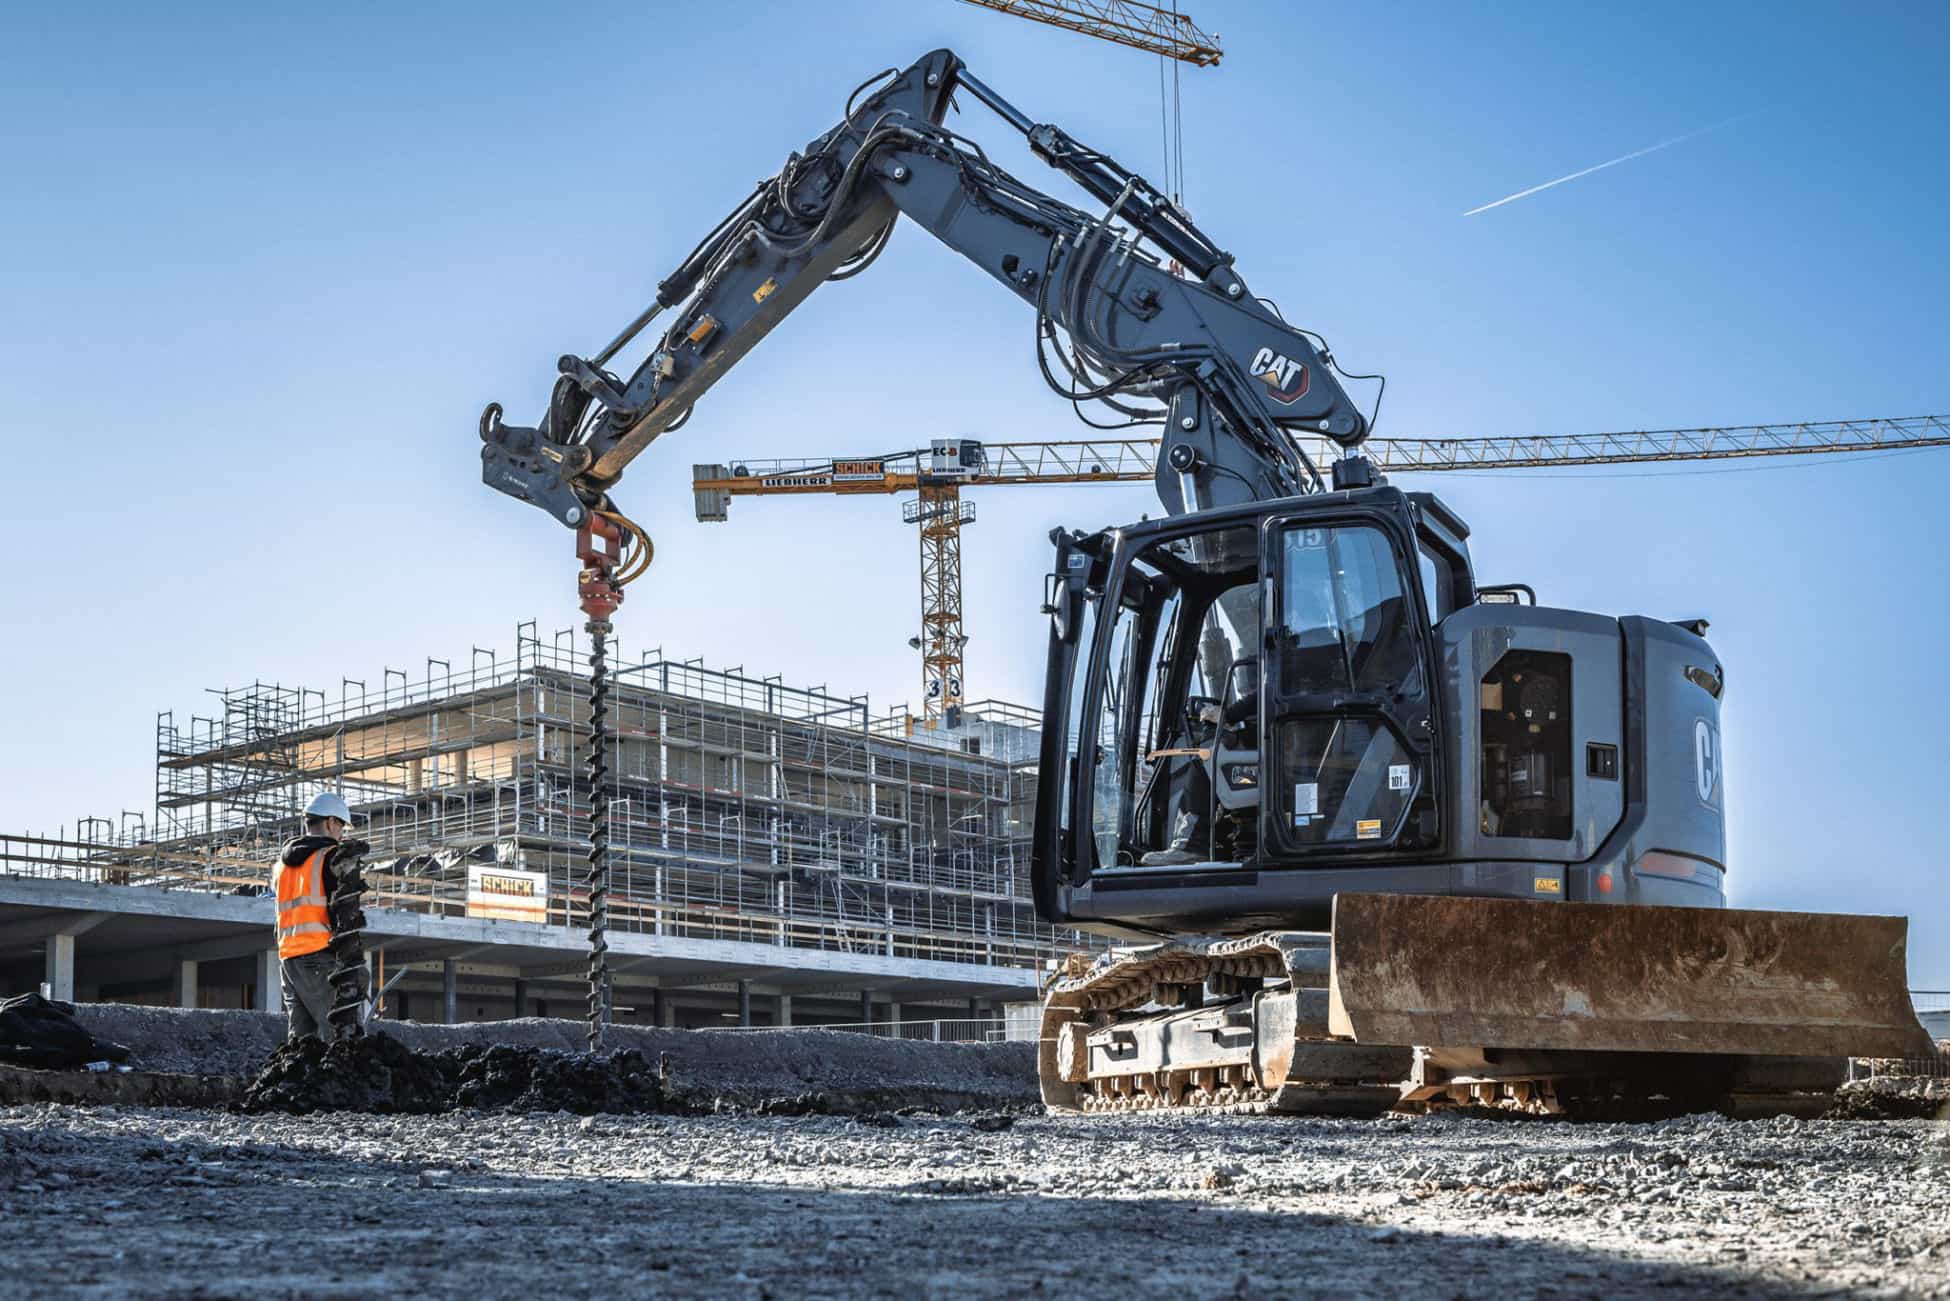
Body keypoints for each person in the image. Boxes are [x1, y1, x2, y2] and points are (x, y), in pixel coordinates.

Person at [274, 792, 361, 1042]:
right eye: (341, 826)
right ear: (331, 822)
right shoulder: (330, 857)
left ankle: (298, 1082)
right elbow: (343, 913)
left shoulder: (282, 865)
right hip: (320, 956)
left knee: (302, 1041)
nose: (341, 833)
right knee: (340, 1034)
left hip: (289, 958)